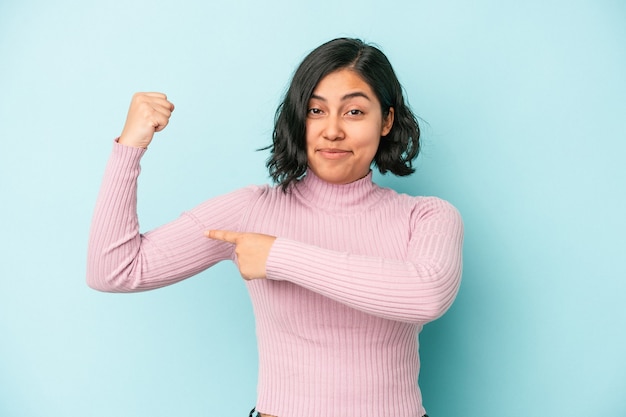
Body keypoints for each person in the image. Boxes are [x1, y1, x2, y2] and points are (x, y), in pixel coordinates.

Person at [87, 37, 463, 417]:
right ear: (299, 119)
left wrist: (277, 255)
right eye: (316, 110)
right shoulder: (252, 210)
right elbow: (114, 271)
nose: (332, 130)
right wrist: (129, 148)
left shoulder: (427, 216)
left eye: (353, 113)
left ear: (386, 120)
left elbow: (426, 295)